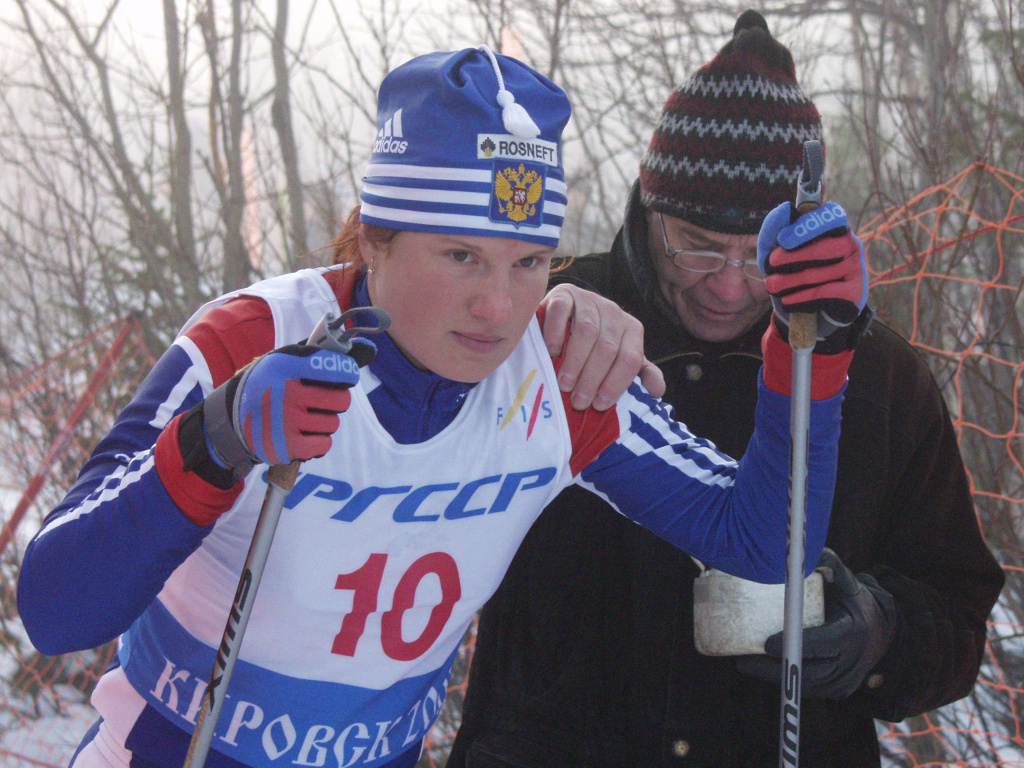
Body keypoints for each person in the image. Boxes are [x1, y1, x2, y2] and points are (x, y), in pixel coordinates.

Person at [16, 43, 867, 768]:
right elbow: (56, 609)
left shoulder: (557, 374)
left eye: (527, 262)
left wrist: (815, 351)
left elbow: (764, 548)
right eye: (460, 255)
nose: (498, 308)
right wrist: (214, 439)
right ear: (377, 238)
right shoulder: (254, 338)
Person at [449, 11, 1005, 768]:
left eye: (761, 254)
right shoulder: (550, 327)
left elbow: (961, 612)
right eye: (698, 245)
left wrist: (879, 636)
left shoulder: (876, 377)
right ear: (647, 210)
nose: (731, 285)